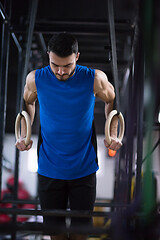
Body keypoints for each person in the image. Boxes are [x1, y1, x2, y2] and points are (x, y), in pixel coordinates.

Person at [16, 32, 122, 240]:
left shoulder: (94, 78)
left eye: (67, 66)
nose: (61, 71)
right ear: (48, 56)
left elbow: (112, 101)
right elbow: (28, 102)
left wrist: (112, 133)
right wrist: (23, 134)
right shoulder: (36, 79)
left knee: (80, 234)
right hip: (49, 167)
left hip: (84, 168)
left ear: (77, 57)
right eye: (55, 65)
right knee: (55, 235)